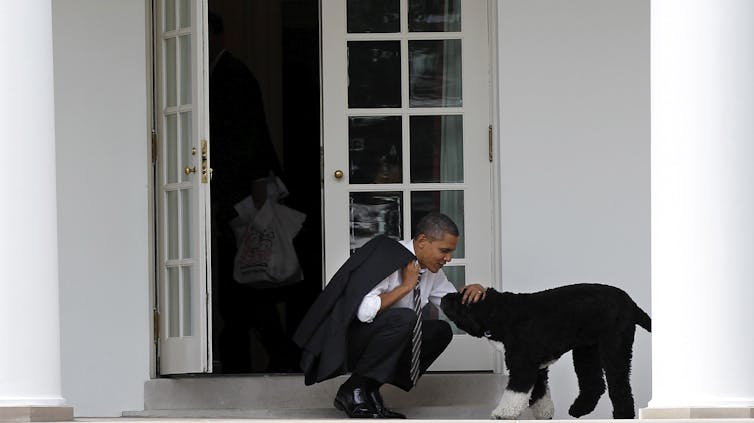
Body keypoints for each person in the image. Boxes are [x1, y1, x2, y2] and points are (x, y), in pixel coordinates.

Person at [293, 212, 487, 418]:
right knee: (404, 318)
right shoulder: (387, 256)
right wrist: (405, 287)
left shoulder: (432, 271)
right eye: (444, 251)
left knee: (440, 331)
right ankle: (353, 390)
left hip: (384, 340)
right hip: (347, 341)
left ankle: (369, 387)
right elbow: (363, 312)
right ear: (422, 241)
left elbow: (452, 306)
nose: (448, 258)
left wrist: (477, 294)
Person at [208, 10, 300, 373]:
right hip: (237, 198)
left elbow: (249, 143)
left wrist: (235, 204)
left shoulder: (232, 76)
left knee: (245, 282)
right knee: (245, 285)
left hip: (239, 200)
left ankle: (266, 356)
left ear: (214, 37)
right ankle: (271, 354)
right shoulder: (226, 74)